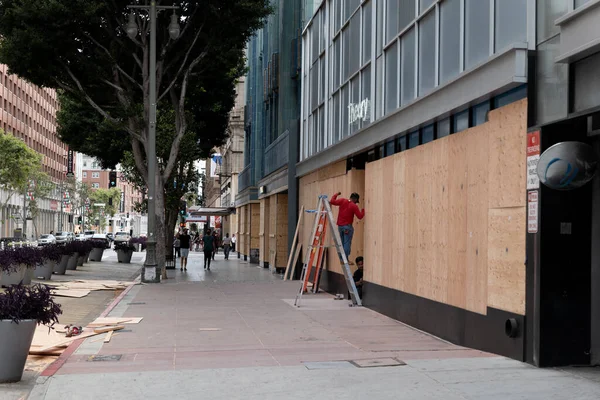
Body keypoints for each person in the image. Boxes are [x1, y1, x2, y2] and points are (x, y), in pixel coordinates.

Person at [330, 192, 365, 263]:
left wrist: (336, 194)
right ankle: (345, 259)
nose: (356, 203)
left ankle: (341, 259)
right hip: (347, 227)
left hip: (340, 226)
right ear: (355, 199)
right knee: (347, 243)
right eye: (356, 201)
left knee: (342, 243)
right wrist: (363, 210)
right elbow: (360, 216)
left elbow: (332, 201)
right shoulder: (354, 206)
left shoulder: (342, 201)